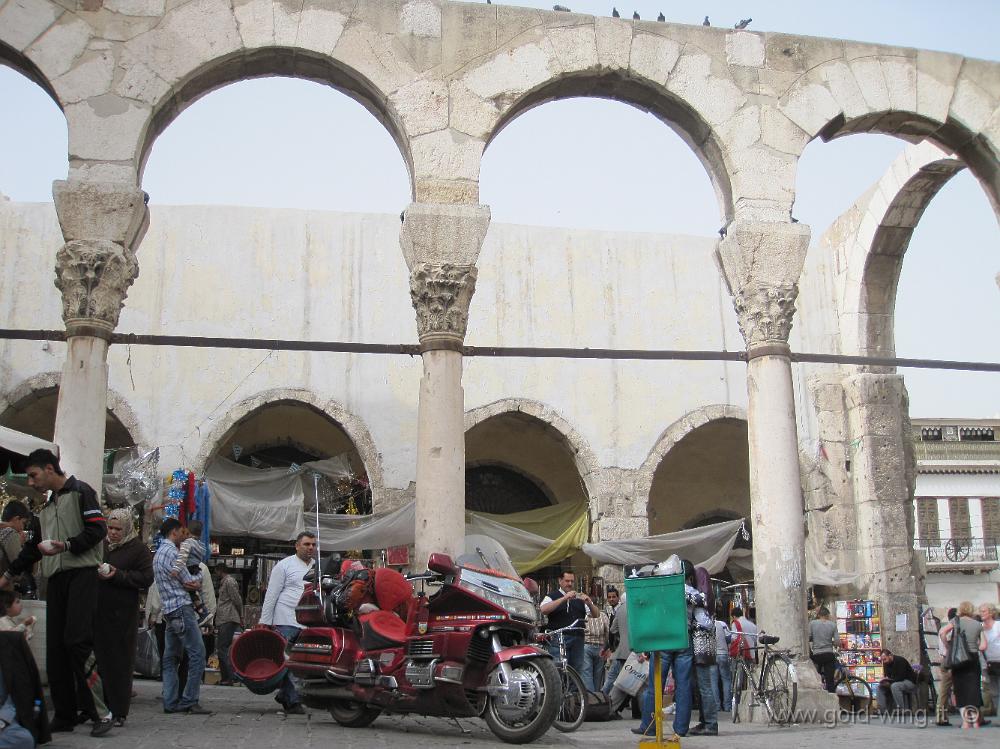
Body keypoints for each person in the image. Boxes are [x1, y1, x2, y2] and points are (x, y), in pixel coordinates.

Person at [0, 449, 113, 737]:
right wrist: (8, 575)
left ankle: (103, 711)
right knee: (56, 649)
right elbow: (30, 549)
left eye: (34, 475)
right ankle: (64, 715)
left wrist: (66, 546)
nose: (31, 482)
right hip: (56, 580)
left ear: (50, 469)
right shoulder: (45, 509)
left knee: (78, 641)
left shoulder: (82, 492)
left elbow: (98, 530)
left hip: (82, 575)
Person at [94, 508, 153, 727]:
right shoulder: (103, 546)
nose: (114, 533)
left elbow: (146, 577)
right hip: (100, 611)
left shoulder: (138, 549)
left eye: (118, 529)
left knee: (119, 661)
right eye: (110, 528)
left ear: (127, 528)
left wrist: (118, 575)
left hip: (122, 614)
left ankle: (118, 709)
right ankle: (99, 708)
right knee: (99, 659)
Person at [153, 518, 210, 715]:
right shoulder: (173, 553)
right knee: (197, 653)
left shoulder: (159, 553)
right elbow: (190, 581)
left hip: (168, 609)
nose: (183, 536)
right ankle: (189, 699)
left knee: (170, 657)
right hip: (182, 607)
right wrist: (199, 576)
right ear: (175, 532)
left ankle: (170, 700)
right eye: (181, 532)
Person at [259, 531, 316, 715]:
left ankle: (286, 695)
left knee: (300, 662)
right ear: (297, 546)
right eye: (307, 544)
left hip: (308, 622)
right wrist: (265, 621)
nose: (310, 548)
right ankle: (293, 700)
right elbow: (272, 594)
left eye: (313, 545)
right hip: (286, 620)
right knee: (289, 660)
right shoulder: (284, 566)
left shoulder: (318, 567)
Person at [938, 600, 988, 727]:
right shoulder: (978, 624)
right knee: (973, 690)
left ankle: (966, 722)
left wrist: (949, 646)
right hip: (972, 659)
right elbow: (983, 646)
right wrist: (974, 646)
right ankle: (976, 721)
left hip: (958, 660)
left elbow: (943, 633)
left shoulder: (956, 621)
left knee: (960, 690)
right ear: (971, 610)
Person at [539, 571, 599, 674]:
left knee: (577, 670)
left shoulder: (579, 598)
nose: (570, 584)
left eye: (572, 581)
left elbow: (596, 614)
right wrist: (564, 598)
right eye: (567, 581)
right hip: (559, 638)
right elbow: (544, 609)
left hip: (578, 639)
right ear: (560, 581)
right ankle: (559, 689)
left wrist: (590, 604)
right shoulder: (551, 596)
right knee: (558, 669)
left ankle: (573, 690)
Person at [0, 630, 51, 749]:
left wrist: (2, 721)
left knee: (23, 739)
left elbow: (8, 700)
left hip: (4, 720)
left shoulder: (9, 643)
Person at [172, 522, 210, 626]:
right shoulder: (200, 545)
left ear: (188, 532)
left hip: (188, 568)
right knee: (193, 592)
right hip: (196, 568)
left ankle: (203, 612)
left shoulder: (187, 543)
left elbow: (182, 558)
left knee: (188, 590)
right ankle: (202, 611)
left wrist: (176, 569)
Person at [214, 565, 243, 686]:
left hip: (228, 617)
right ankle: (227, 677)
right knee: (222, 648)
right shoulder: (224, 582)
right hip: (224, 618)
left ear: (221, 571)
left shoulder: (229, 581)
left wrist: (241, 615)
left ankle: (229, 677)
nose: (216, 574)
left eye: (216, 571)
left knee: (222, 649)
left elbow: (237, 599)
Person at [877, 649, 918, 713]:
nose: (884, 661)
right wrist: (885, 681)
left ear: (890, 655)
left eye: (885, 659)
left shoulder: (900, 660)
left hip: (908, 681)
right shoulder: (886, 664)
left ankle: (901, 710)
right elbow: (888, 676)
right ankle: (882, 710)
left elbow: (901, 677)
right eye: (883, 660)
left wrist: (890, 682)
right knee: (880, 687)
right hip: (895, 682)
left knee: (895, 686)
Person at [935, 606, 958, 726]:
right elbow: (946, 638)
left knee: (945, 690)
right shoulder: (950, 628)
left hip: (945, 659)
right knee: (945, 690)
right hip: (949, 660)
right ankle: (941, 716)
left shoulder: (943, 628)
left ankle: (941, 715)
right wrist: (949, 648)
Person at [581, 602, 610, 691]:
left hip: (587, 646)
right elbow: (608, 632)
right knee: (598, 676)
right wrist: (607, 647)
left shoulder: (582, 616)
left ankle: (591, 698)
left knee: (587, 674)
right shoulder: (603, 616)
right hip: (600, 647)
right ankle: (597, 697)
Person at [809, 606, 839, 692]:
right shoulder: (833, 625)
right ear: (827, 615)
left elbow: (808, 637)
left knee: (816, 679)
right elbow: (837, 642)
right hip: (829, 654)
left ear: (819, 615)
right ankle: (832, 699)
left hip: (817, 655)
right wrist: (830, 642)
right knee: (830, 681)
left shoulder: (812, 624)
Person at [0, 502, 31, 583]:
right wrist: (22, 544)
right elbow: (19, 570)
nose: (23, 528)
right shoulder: (10, 533)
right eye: (23, 523)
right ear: (16, 519)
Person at [981, 602, 999, 719]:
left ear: (991, 612)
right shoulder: (980, 627)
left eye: (984, 611)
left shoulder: (998, 625)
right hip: (986, 663)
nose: (981, 613)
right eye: (980, 611)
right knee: (993, 691)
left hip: (999, 660)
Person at [713, 605, 732, 712]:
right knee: (726, 680)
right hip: (723, 654)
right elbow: (729, 638)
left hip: (712, 656)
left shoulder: (707, 624)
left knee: (714, 681)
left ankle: (717, 706)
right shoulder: (722, 624)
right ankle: (727, 706)